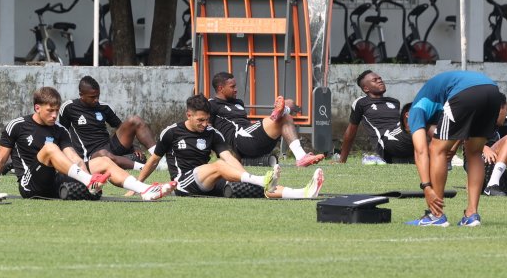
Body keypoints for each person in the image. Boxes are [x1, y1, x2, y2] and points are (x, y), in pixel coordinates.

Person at [0, 87, 176, 201]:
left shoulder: (60, 130)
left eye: (57, 110)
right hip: (30, 184)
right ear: (37, 108)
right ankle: (87, 181)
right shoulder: (17, 126)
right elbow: (0, 160)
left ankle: (144, 190)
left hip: (57, 181)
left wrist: (90, 176)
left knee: (102, 161)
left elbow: (74, 157)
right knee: (49, 149)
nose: (55, 115)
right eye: (50, 111)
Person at [137, 95, 324, 199]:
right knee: (218, 166)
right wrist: (137, 186)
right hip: (183, 183)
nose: (205, 124)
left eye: (207, 120)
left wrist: (245, 179)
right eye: (200, 120)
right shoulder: (171, 132)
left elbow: (229, 158)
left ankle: (304, 192)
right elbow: (153, 160)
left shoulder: (213, 133)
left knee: (251, 189)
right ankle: (260, 179)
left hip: (208, 181)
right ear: (189, 115)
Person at [405, 69, 504, 227]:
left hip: (466, 92)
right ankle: (471, 215)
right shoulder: (437, 101)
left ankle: (436, 215)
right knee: (475, 153)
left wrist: (426, 187)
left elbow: (421, 151)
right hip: (492, 91)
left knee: (436, 149)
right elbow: (460, 128)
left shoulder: (415, 111)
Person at [403, 100, 507, 197]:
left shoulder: (494, 127)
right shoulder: (477, 119)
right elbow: (463, 138)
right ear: (498, 108)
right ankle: (492, 185)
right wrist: (483, 148)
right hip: (480, 167)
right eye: (506, 110)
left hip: (502, 177)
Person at [208, 71, 324, 167]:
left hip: (254, 139)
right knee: (284, 116)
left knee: (289, 106)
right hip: (240, 140)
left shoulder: (238, 102)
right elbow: (208, 130)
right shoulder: (212, 104)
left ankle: (282, 113)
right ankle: (280, 113)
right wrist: (222, 153)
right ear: (220, 88)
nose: (236, 89)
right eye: (232, 87)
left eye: (235, 86)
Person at [58, 76, 156, 173]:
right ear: (81, 95)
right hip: (91, 155)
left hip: (110, 146)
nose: (96, 99)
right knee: (104, 154)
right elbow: (62, 134)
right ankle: (144, 167)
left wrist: (135, 147)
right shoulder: (69, 108)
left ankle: (156, 156)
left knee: (135, 120)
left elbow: (121, 127)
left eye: (98, 96)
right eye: (92, 97)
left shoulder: (104, 107)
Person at [336, 70, 413, 165]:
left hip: (402, 137)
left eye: (380, 78)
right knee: (419, 126)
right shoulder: (361, 103)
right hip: (388, 139)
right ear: (366, 88)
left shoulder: (394, 102)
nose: (380, 81)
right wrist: (342, 160)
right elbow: (351, 131)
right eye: (375, 80)